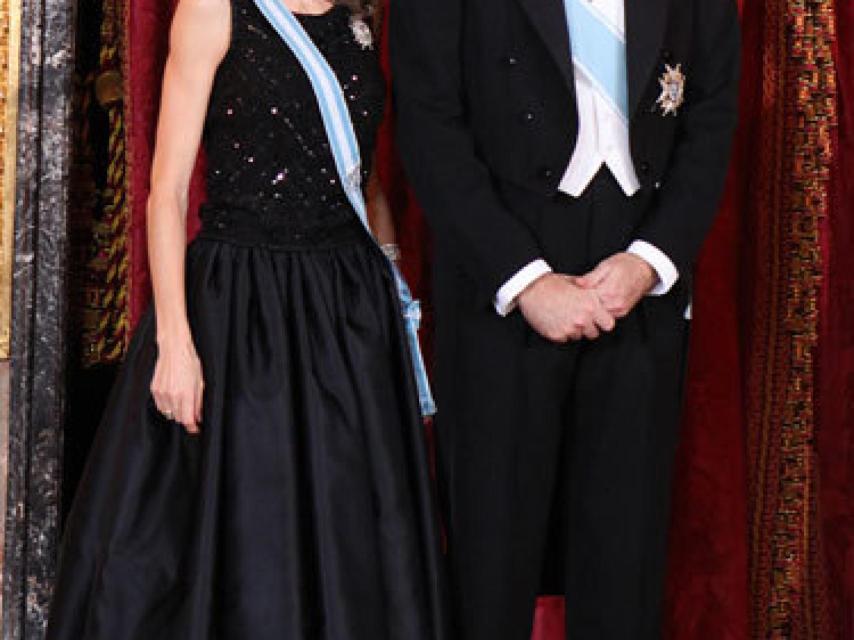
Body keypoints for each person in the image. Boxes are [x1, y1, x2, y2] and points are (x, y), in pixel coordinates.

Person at [47, 0, 446, 638]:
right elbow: (168, 191)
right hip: (242, 307)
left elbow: (367, 185)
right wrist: (175, 341)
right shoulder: (213, 11)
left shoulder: (358, 19)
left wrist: (396, 300)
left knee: (355, 533)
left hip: (350, 311)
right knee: (254, 526)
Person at [390, 0, 740, 638]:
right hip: (502, 276)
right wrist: (525, 280)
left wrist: (650, 260)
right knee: (491, 564)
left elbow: (712, 115)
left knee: (624, 566)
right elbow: (428, 119)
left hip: (639, 279)